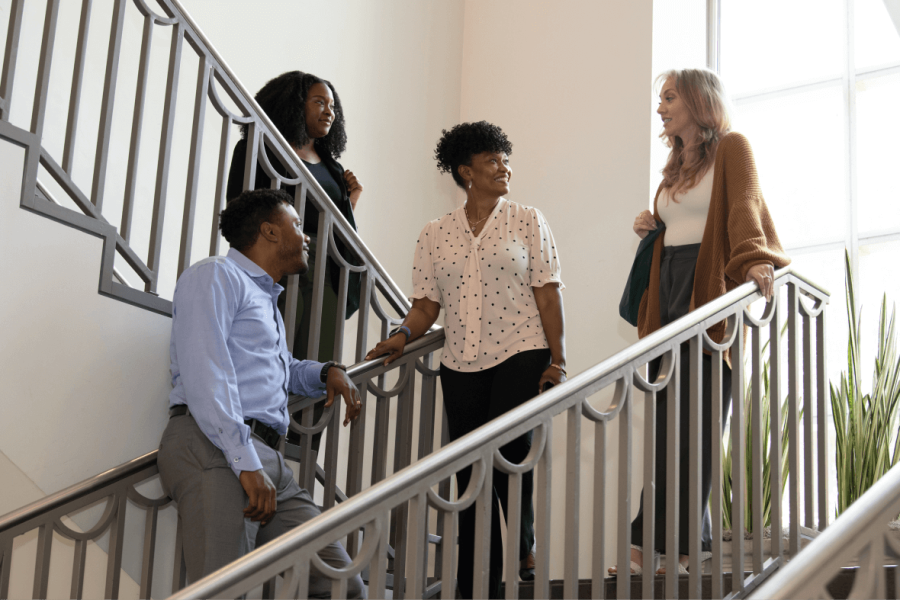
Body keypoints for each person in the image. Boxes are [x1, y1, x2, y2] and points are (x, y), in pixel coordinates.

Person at [365, 121, 567, 599]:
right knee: (468, 475)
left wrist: (558, 359)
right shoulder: (435, 233)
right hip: (460, 363)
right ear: (465, 170)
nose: (504, 167)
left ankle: (521, 546)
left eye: (505, 159)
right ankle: (476, 583)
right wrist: (401, 334)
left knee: (508, 460)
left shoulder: (527, 219)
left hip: (522, 350)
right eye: (493, 160)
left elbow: (548, 294)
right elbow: (427, 305)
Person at [612, 68, 790, 576]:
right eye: (661, 99)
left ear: (697, 100)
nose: (661, 106)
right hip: (668, 292)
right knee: (666, 431)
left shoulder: (733, 147)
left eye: (669, 97)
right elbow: (681, 221)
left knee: (702, 431)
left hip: (708, 293)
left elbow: (743, 206)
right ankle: (652, 549)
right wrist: (652, 223)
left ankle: (682, 553)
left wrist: (755, 257)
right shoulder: (673, 165)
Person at [157, 188, 366, 598]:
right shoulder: (215, 275)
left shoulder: (262, 294)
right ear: (270, 231)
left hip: (266, 458)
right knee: (222, 591)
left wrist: (325, 373)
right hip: (215, 447)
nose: (307, 237)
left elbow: (278, 367)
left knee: (343, 584)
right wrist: (244, 461)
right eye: (298, 226)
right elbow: (207, 373)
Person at [226, 70, 362, 451]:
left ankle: (302, 445)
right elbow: (241, 207)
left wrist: (351, 201)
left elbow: (339, 226)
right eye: (319, 102)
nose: (328, 112)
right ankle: (260, 432)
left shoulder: (332, 165)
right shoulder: (261, 147)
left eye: (333, 106)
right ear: (293, 104)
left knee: (318, 354)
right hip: (279, 261)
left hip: (327, 271)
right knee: (272, 348)